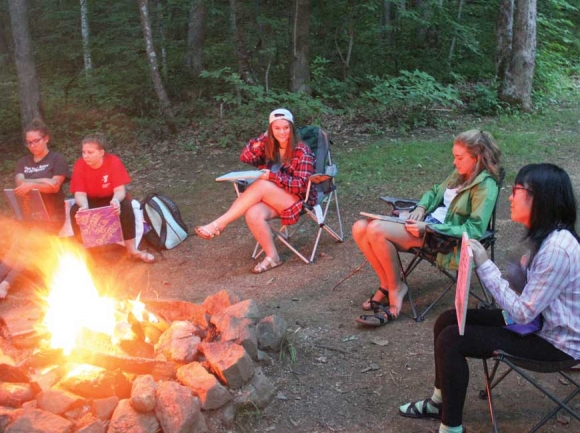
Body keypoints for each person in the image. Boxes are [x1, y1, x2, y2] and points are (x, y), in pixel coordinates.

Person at [398, 163, 580, 433]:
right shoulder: (548, 236)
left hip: (555, 341)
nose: (509, 196)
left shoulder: (556, 248)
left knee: (452, 339)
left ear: (540, 198)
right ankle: (440, 402)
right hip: (542, 321)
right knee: (448, 320)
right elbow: (532, 298)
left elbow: (522, 313)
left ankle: (451, 428)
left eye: (517, 190)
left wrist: (485, 265)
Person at [352, 130, 502, 326]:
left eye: (459, 157)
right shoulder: (460, 173)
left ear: (478, 157)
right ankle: (388, 284)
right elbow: (434, 192)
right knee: (359, 227)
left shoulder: (485, 186)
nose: (454, 162)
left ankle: (396, 288)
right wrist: (421, 207)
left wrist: (429, 227)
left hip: (444, 237)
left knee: (376, 230)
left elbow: (474, 229)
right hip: (428, 224)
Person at [194, 108, 316, 274]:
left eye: (286, 128)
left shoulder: (302, 150)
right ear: (271, 130)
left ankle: (219, 223)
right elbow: (246, 156)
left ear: (292, 129)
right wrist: (264, 137)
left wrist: (273, 177)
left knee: (263, 183)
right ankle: (273, 256)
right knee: (252, 212)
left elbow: (302, 185)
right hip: (275, 199)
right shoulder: (269, 147)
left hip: (298, 199)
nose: (282, 132)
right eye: (277, 128)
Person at [0, 119, 70, 299]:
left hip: (51, 216)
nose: (32, 145)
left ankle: (6, 284)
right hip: (28, 215)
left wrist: (31, 184)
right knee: (14, 244)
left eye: (36, 141)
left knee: (29, 242)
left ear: (46, 138)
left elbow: (55, 186)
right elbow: (20, 181)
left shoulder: (57, 159)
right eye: (29, 142)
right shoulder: (23, 161)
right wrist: (43, 181)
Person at [69, 134, 154, 263]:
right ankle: (83, 253)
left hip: (111, 197)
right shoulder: (80, 165)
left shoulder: (113, 161)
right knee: (75, 211)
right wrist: (84, 207)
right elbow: (79, 193)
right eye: (83, 152)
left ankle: (132, 250)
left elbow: (120, 190)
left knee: (126, 206)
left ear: (101, 152)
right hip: (90, 200)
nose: (85, 156)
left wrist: (115, 201)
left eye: (90, 152)